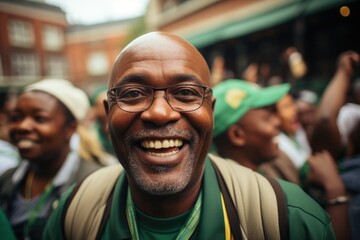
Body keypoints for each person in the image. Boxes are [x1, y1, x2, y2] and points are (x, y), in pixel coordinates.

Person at [43, 32, 335, 239]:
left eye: (185, 93)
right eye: (133, 94)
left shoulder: (290, 218)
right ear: (107, 115)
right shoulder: (73, 213)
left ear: (211, 110)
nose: (159, 113)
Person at [0, 79, 102, 239]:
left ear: (70, 128)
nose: (23, 126)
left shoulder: (94, 185)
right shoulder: (6, 180)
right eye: (16, 118)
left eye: (40, 119)